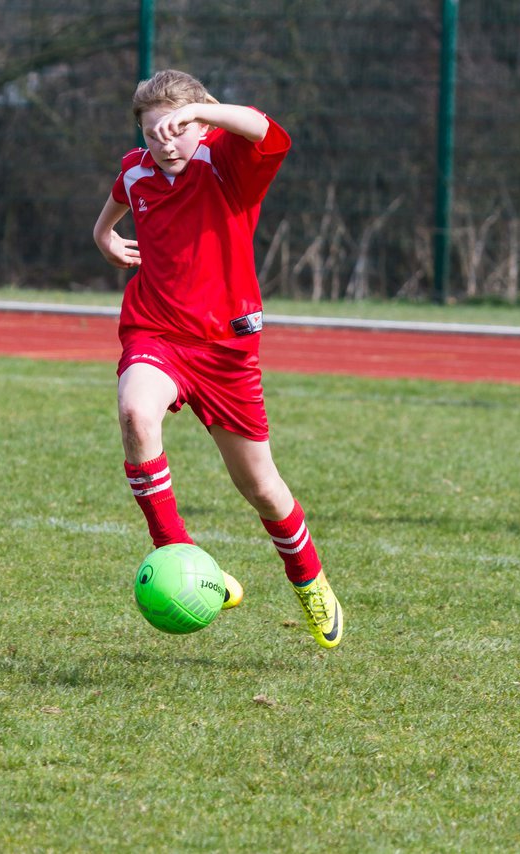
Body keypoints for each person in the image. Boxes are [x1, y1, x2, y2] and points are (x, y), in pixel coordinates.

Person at [92, 69, 342, 647]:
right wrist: (104, 236)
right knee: (135, 413)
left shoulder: (227, 162)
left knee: (261, 486)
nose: (166, 142)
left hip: (227, 351)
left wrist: (206, 114)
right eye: (155, 132)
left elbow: (266, 129)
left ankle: (309, 581)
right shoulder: (136, 168)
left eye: (178, 128)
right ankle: (176, 552)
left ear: (203, 123)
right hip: (156, 332)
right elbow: (113, 204)